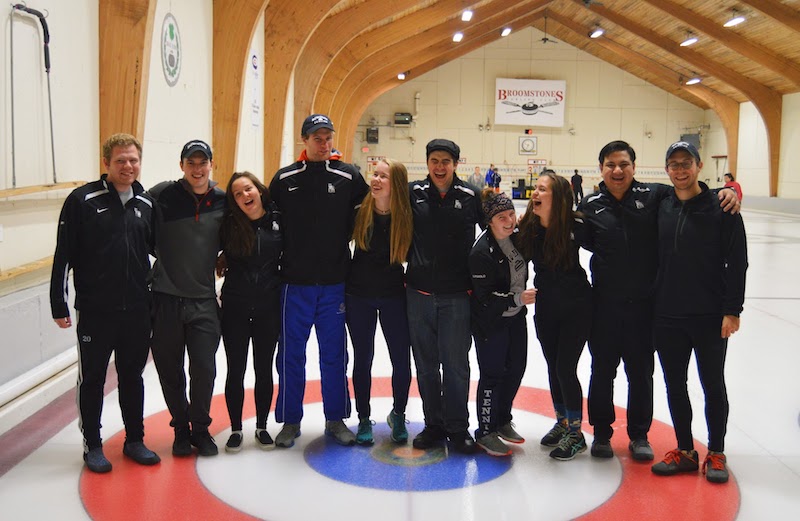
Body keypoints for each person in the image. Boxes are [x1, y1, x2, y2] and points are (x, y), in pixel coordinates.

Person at [577, 140, 740, 462]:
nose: (618, 170)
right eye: (610, 165)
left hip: (646, 307)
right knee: (602, 372)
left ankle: (639, 435)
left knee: (641, 373)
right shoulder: (590, 204)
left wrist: (727, 192)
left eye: (624, 164)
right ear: (601, 169)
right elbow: (572, 242)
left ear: (634, 167)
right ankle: (602, 434)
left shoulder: (654, 196)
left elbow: (692, 195)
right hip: (605, 307)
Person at [50, 133, 160, 473]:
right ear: (106, 164)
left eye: (133, 160)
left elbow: (160, 252)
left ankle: (135, 440)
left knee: (133, 377)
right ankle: (93, 445)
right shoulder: (83, 200)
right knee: (93, 378)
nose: (128, 166)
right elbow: (63, 254)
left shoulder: (146, 203)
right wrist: (59, 302)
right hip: (96, 311)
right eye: (121, 161)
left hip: (137, 310)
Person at [268, 114, 369, 448]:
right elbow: (267, 226)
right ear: (304, 140)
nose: (323, 144)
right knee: (290, 355)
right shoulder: (284, 179)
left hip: (334, 284)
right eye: (317, 138)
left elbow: (371, 215)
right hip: (294, 285)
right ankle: (290, 420)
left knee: (334, 355)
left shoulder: (349, 176)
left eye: (328, 138)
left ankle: (336, 418)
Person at [651, 142, 747, 484]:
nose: (680, 170)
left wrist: (732, 310)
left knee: (712, 385)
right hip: (668, 316)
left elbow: (738, 262)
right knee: (675, 385)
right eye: (673, 164)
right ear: (666, 169)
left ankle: (717, 452)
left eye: (686, 163)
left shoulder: (721, 207)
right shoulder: (661, 204)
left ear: (699, 165)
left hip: (709, 315)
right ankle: (685, 452)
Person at [149, 139, 226, 457]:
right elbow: (140, 229)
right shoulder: (161, 195)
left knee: (204, 369)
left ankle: (201, 429)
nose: (197, 168)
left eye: (202, 162)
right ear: (182, 165)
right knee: (170, 369)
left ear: (211, 165)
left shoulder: (223, 200)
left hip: (204, 301)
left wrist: (229, 257)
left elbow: (241, 234)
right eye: (191, 163)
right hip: (166, 299)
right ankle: (181, 429)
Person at [407, 138, 483, 454]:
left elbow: (496, 230)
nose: (440, 167)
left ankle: (458, 428)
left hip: (456, 296)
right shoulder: (413, 193)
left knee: (455, 366)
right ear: (427, 163)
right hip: (419, 294)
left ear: (455, 164)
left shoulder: (469, 196)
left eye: (446, 162)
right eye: (435, 161)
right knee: (425, 366)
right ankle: (433, 425)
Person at [517, 170, 592, 461]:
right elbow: (515, 259)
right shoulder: (531, 228)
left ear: (558, 197)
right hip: (547, 306)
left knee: (565, 368)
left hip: (577, 306)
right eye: (536, 188)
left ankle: (576, 432)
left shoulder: (577, 225)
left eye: (543, 189)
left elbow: (609, 245)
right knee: (552, 367)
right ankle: (562, 423)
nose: (535, 193)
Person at [347, 159, 413, 446]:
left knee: (401, 359)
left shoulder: (406, 217)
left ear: (395, 183)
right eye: (374, 174)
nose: (375, 179)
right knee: (363, 359)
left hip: (393, 296)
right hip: (358, 295)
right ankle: (363, 417)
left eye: (383, 176)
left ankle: (398, 414)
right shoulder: (359, 213)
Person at [469, 189, 537, 457]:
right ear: (490, 221)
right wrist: (517, 297)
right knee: (492, 375)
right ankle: (485, 430)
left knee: (516, 369)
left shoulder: (517, 239)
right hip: (491, 323)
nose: (509, 221)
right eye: (501, 217)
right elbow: (485, 298)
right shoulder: (480, 252)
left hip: (516, 319)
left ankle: (501, 420)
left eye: (511, 214)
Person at [217, 172, 282, 452]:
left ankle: (262, 426)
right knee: (235, 369)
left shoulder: (280, 220)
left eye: (248, 189)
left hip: (269, 306)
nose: (245, 196)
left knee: (263, 368)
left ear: (259, 189)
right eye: (238, 194)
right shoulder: (229, 225)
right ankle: (235, 428)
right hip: (235, 307)